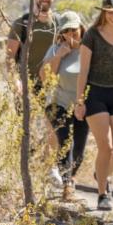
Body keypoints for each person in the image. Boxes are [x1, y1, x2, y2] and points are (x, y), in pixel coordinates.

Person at [75, 0, 113, 211]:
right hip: (95, 94)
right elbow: (83, 70)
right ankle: (102, 194)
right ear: (103, 13)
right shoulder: (92, 35)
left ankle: (101, 174)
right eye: (110, 12)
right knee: (105, 148)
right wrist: (80, 101)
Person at [6, 0, 62, 185]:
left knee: (53, 126)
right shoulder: (22, 23)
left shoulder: (59, 24)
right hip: (26, 83)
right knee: (26, 129)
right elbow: (9, 58)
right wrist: (16, 82)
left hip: (51, 83)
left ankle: (50, 168)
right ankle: (24, 171)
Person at [40, 11, 89, 201]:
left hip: (82, 104)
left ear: (81, 28)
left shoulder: (88, 49)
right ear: (61, 33)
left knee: (79, 148)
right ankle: (67, 185)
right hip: (58, 102)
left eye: (74, 29)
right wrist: (59, 56)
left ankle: (71, 178)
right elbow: (45, 77)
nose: (71, 34)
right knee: (65, 143)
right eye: (66, 31)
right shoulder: (55, 49)